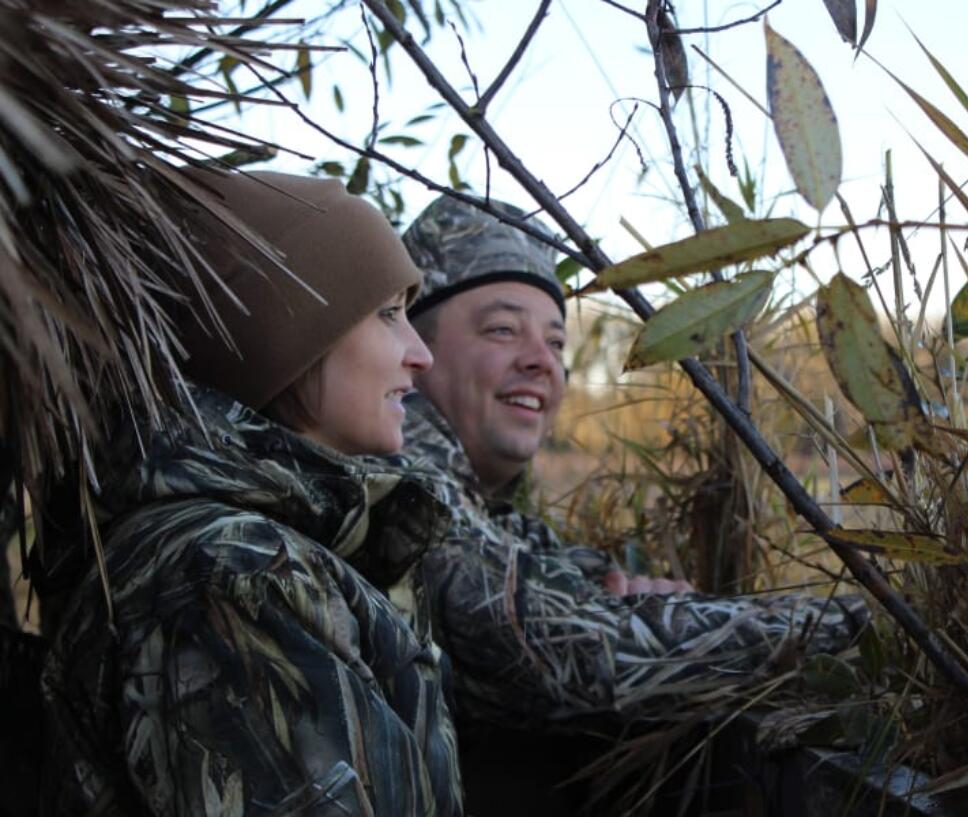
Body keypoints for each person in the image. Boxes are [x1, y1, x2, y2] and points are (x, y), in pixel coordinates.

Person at [38, 170, 463, 817]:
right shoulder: (234, 575)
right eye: (386, 313)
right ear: (283, 334)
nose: (419, 354)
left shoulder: (249, 545)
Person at [397, 194, 867, 731]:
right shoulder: (398, 485)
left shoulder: (475, 509)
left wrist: (610, 591)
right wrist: (868, 625)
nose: (541, 361)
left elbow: (543, 578)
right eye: (502, 329)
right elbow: (577, 650)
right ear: (413, 352)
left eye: (556, 341)